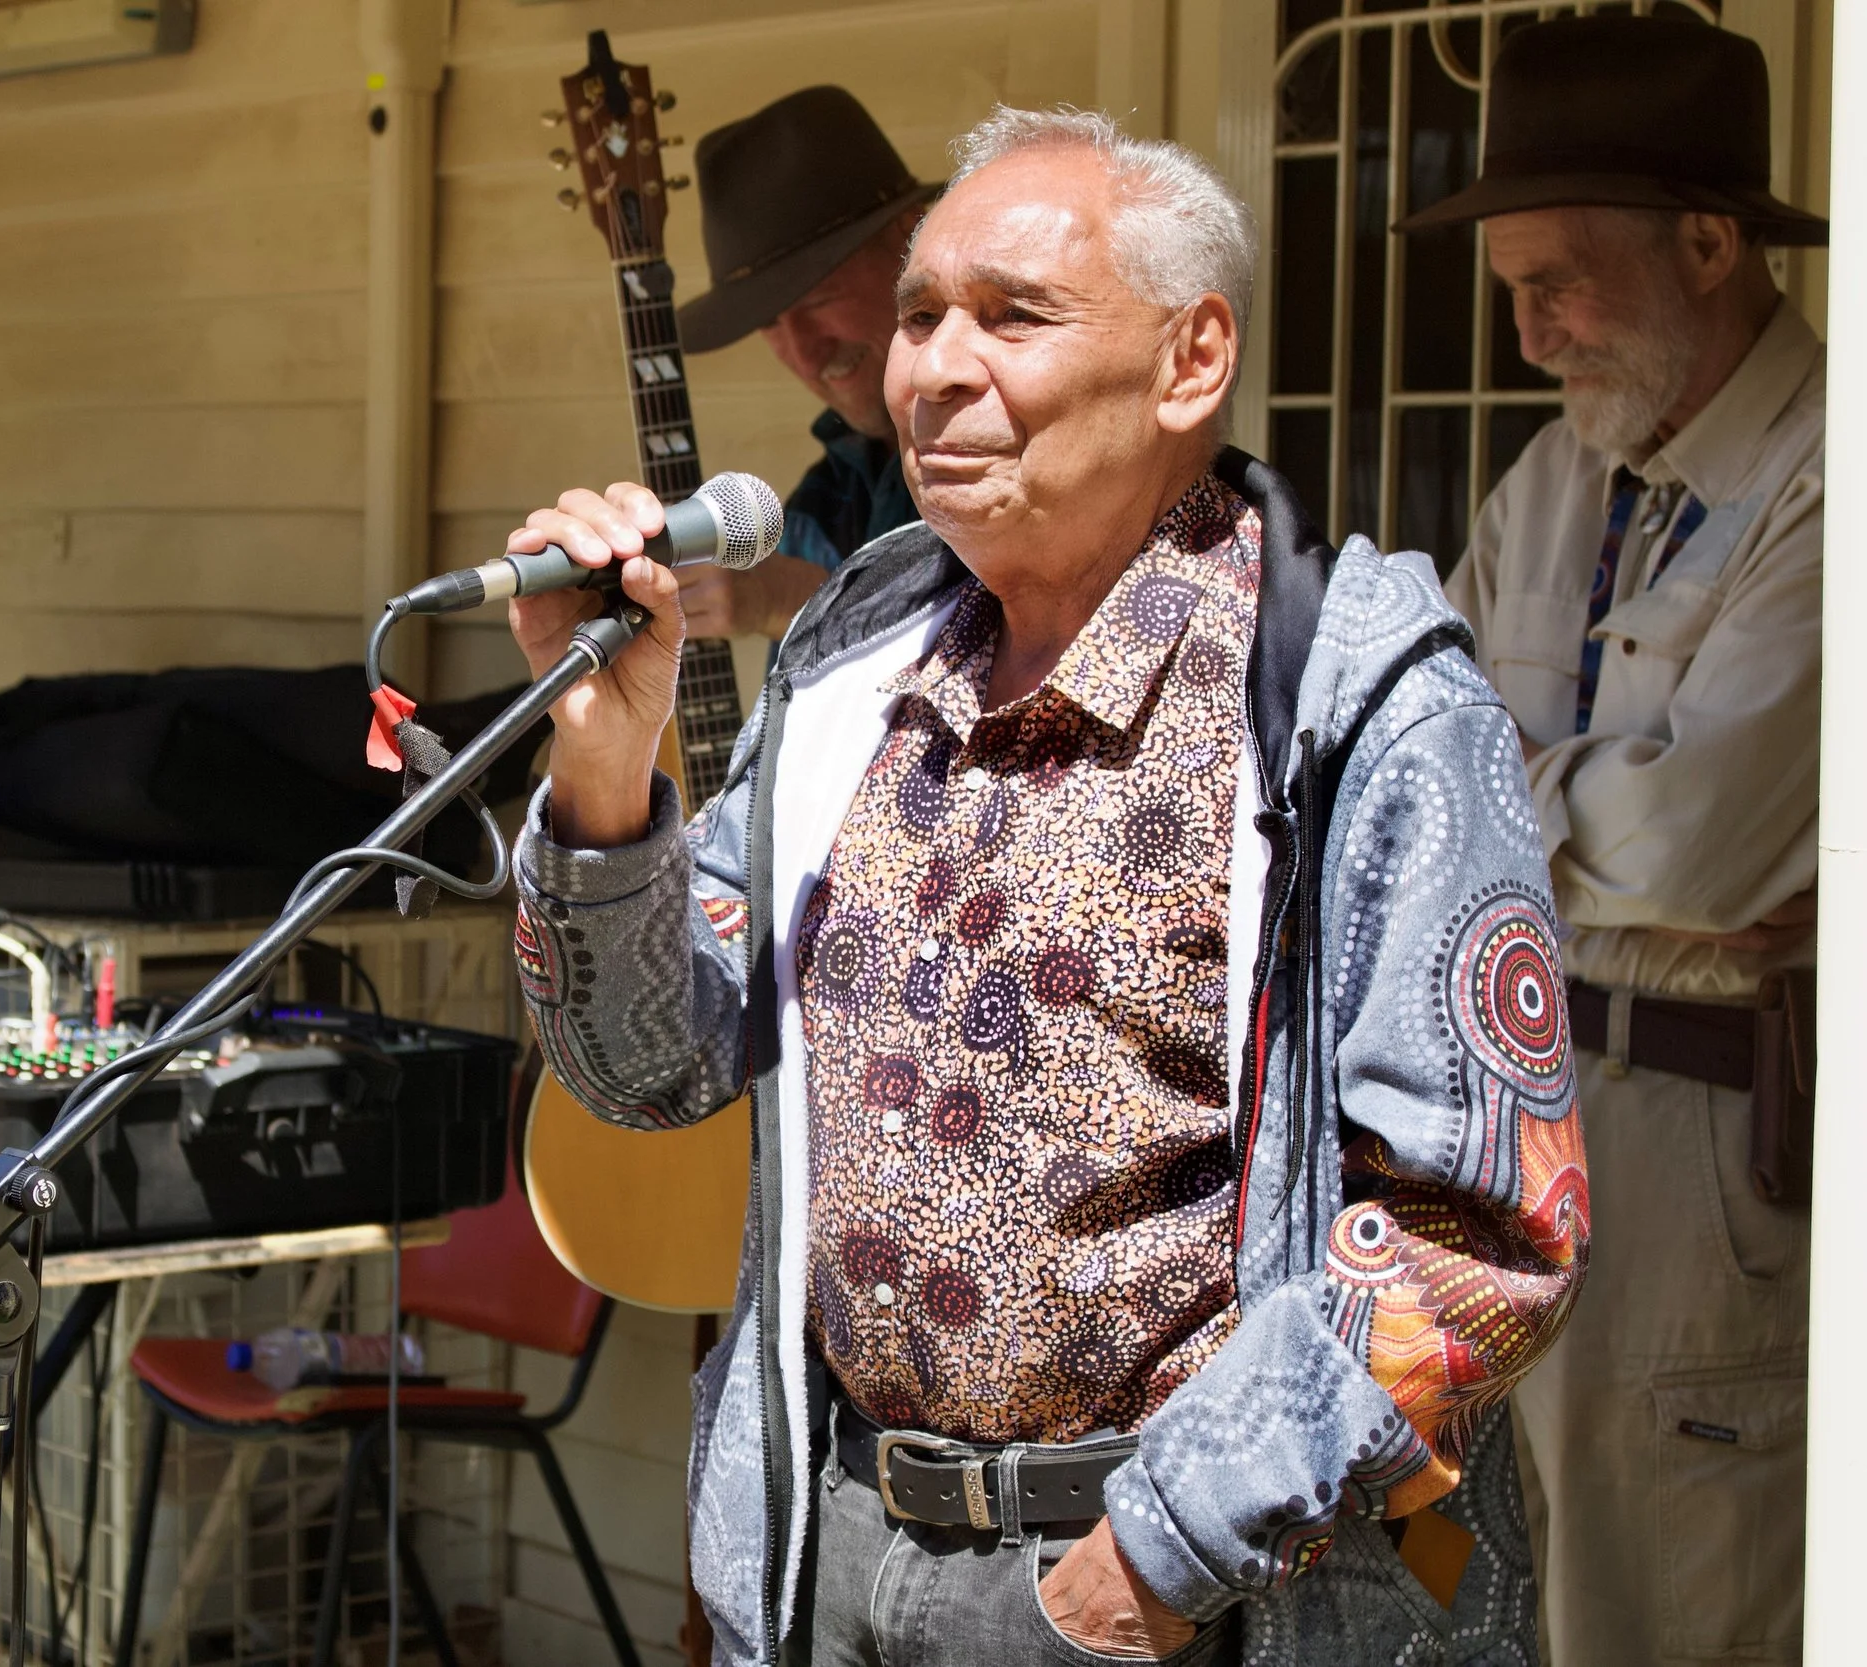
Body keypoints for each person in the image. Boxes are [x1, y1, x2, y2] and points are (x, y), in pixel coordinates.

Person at [504, 105, 1586, 1664]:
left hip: (1178, 1593)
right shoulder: (852, 675)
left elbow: (1479, 1232)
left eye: (1012, 315)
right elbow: (646, 1067)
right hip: (838, 1553)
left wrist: (1145, 1566)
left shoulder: (1356, 704)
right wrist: (608, 778)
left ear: (1190, 360)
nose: (934, 368)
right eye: (920, 314)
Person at [1403, 15, 1822, 1664]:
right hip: (1493, 1128)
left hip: (1697, 1135)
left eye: (1559, 281)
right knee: (1480, 1601)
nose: (1526, 335)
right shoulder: (1553, 479)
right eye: (1510, 288)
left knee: (1657, 1613)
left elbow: (1698, 847)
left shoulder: (1829, 475)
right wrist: (1585, 806)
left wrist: (1498, 793)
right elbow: (1402, 774)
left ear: (1709, 243)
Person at [667, 86, 930, 641]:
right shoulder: (816, 509)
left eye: (818, 300)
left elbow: (1009, 656)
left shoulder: (1003, 455)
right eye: (769, 323)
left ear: (911, 237)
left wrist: (793, 601)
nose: (805, 356)